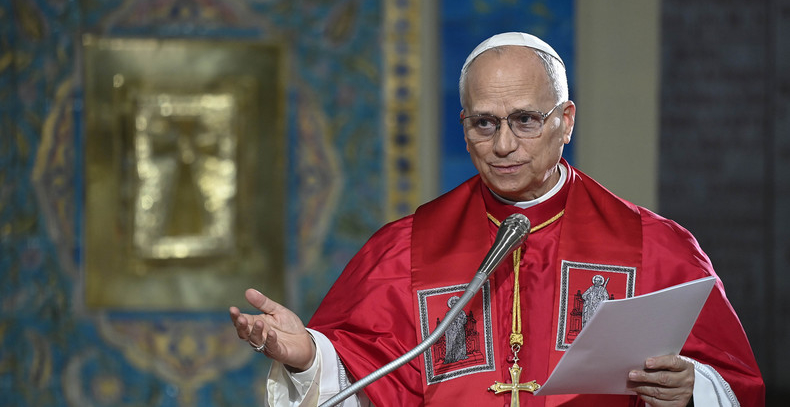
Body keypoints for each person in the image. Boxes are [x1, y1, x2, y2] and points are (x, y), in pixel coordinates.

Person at [230, 32, 765, 406]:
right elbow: (366, 383)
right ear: (464, 126)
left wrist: (692, 390)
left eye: (526, 120)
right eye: (484, 123)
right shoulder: (405, 251)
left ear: (566, 121)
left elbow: (734, 384)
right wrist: (309, 358)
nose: (504, 144)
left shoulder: (655, 248)